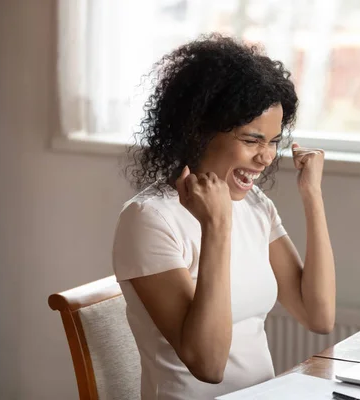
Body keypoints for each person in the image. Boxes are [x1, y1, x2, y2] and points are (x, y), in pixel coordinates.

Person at [112, 34, 336, 400]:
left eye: (273, 141)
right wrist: (217, 225)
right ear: (199, 132)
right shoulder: (149, 219)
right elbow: (208, 365)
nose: (266, 157)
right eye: (251, 140)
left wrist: (312, 195)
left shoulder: (255, 204)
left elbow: (319, 316)